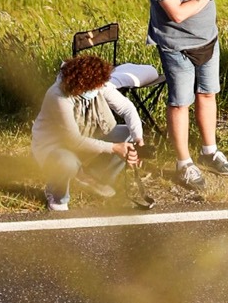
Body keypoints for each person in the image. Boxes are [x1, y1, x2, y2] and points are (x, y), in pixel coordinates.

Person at [145, 0, 228, 189]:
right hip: (176, 42)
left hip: (208, 35)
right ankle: (183, 162)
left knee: (208, 94)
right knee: (180, 101)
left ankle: (209, 150)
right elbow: (177, 13)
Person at [32, 52, 144, 211]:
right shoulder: (57, 96)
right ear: (83, 84)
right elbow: (73, 140)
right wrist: (115, 148)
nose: (101, 88)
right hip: (54, 147)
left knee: (127, 133)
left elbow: (127, 109)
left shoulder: (99, 86)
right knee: (67, 162)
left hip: (86, 135)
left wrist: (138, 139)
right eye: (97, 85)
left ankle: (92, 177)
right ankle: (57, 196)